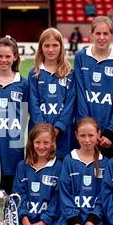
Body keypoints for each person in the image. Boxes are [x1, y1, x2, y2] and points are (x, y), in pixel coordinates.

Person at [53, 117, 110, 225]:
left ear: (98, 134)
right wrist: (72, 221)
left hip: (93, 220)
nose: (87, 140)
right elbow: (64, 193)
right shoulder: (68, 160)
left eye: (91, 135)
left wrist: (93, 219)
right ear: (76, 135)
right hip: (70, 218)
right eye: (83, 135)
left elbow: (105, 196)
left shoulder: (106, 163)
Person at [74, 16, 113, 159]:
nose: (102, 37)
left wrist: (110, 132)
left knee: (107, 180)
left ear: (112, 35)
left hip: (109, 139)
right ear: (91, 34)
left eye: (106, 34)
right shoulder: (81, 57)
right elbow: (80, 95)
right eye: (98, 33)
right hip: (85, 136)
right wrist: (88, 131)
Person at [0, 36, 29, 194]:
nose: (3, 60)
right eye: (0, 56)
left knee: (10, 197)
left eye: (8, 56)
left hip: (13, 151)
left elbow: (28, 113)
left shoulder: (23, 84)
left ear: (15, 57)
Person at [12, 123, 61, 225]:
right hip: (25, 222)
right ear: (31, 142)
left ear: (53, 143)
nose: (41, 146)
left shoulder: (58, 167)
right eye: (37, 142)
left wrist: (43, 223)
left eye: (46, 142)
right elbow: (18, 196)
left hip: (46, 224)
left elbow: (57, 201)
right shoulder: (22, 166)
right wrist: (25, 221)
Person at [28, 27, 75, 159]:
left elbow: (70, 104)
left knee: (61, 169)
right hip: (38, 133)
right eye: (46, 45)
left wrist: (57, 128)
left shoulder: (70, 74)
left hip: (63, 133)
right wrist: (44, 131)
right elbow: (33, 104)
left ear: (61, 47)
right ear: (40, 48)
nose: (50, 49)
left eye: (55, 45)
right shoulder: (34, 74)